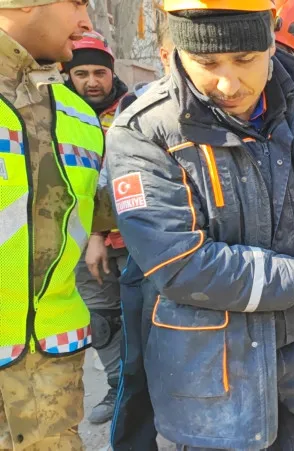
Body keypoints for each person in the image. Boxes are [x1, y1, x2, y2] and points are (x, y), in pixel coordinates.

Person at [105, 0, 294, 449]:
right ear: (177, 52)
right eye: (206, 62)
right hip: (215, 354)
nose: (228, 83)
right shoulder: (145, 133)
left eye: (245, 60)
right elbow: (180, 265)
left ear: (271, 41)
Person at [0, 0, 115, 448]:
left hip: (53, 365)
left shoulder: (81, 116)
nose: (86, 20)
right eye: (76, 2)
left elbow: (95, 213)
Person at [109, 11, 174, 451]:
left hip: (217, 273)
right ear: (169, 55)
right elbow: (109, 189)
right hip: (149, 266)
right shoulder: (138, 110)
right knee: (137, 368)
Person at [61, 30, 129, 426]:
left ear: (112, 72)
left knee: (147, 319)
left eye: (99, 72)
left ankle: (147, 394)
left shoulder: (132, 109)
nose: (91, 81)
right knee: (103, 321)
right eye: (81, 72)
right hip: (81, 240)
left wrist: (101, 234)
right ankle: (118, 390)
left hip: (134, 237)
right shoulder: (59, 112)